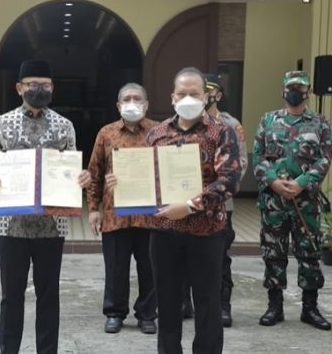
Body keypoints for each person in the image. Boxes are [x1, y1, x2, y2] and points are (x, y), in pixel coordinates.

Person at [0, 59, 91, 354]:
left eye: (45, 85)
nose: (39, 89)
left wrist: (81, 177)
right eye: (32, 85)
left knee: (49, 295)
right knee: (11, 296)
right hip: (10, 224)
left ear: (53, 88)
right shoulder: (0, 124)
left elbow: (69, 168)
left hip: (52, 225)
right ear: (19, 88)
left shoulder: (64, 126)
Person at [145, 67, 241, 354]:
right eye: (183, 93)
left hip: (207, 233)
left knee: (208, 305)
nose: (188, 98)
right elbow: (146, 177)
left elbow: (230, 181)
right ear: (173, 97)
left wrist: (188, 206)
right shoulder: (156, 134)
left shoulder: (222, 132)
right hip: (164, 233)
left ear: (206, 96)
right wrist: (122, 183)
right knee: (168, 304)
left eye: (195, 93)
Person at [252, 70, 332, 331]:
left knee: (309, 253)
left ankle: (310, 308)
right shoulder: (268, 120)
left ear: (308, 92)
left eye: (300, 87)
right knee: (273, 254)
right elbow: (258, 156)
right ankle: (274, 306)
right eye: (291, 87)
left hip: (306, 202)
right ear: (283, 91)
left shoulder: (320, 123)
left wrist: (301, 183)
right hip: (274, 202)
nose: (295, 91)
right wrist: (275, 182)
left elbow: (324, 159)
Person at [87, 83, 158, 335]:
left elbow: (167, 169)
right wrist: (93, 209)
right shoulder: (106, 133)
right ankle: (115, 313)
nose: (131, 102)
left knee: (150, 267)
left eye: (137, 98)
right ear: (118, 106)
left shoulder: (158, 132)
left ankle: (147, 314)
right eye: (126, 99)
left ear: (146, 104)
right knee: (115, 267)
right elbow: (94, 172)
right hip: (115, 215)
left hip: (151, 216)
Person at [180, 74, 248, 327]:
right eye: (202, 91)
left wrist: (217, 191)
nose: (206, 95)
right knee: (182, 253)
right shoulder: (182, 121)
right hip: (183, 202)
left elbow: (239, 163)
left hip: (220, 203)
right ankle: (184, 302)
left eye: (210, 91)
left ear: (218, 95)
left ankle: (221, 306)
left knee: (219, 257)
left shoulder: (230, 124)